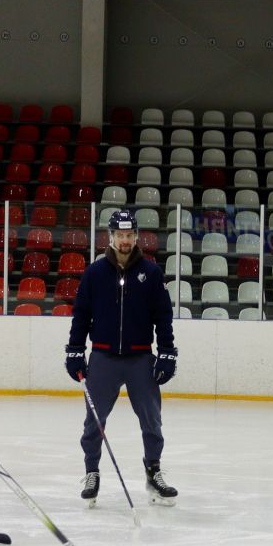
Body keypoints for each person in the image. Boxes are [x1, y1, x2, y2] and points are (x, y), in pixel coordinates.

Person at [64, 208, 179, 507]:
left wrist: (167, 352)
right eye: (120, 235)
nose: (125, 241)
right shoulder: (94, 273)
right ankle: (92, 472)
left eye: (129, 235)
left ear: (136, 236)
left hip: (141, 359)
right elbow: (81, 315)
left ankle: (153, 471)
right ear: (111, 237)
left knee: (152, 420)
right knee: (94, 421)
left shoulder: (152, 273)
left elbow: (163, 317)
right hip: (103, 358)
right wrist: (75, 350)